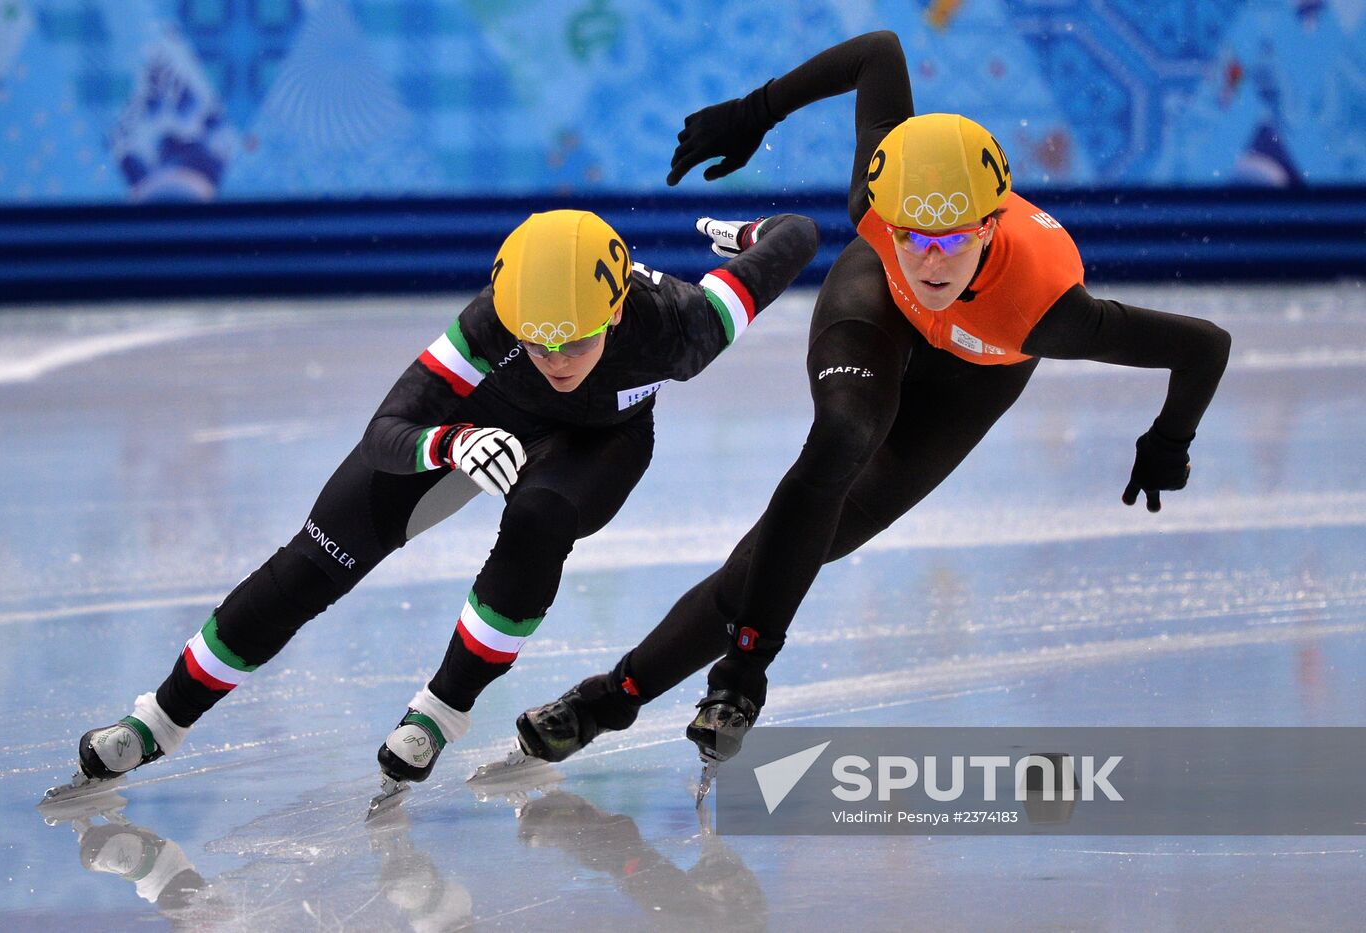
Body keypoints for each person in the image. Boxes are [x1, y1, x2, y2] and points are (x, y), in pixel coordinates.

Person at [513, 31, 1232, 766]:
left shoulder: (1052, 310)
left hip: (978, 370)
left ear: (991, 223)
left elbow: (1205, 345)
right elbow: (879, 54)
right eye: (910, 234)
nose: (928, 259)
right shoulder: (875, 208)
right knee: (842, 438)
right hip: (875, 310)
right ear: (884, 211)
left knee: (770, 559)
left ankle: (610, 698)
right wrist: (754, 111)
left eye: (952, 240)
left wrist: (1170, 441)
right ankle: (742, 677)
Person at [52, 207, 819, 803]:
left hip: (597, 445)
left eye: (574, 343)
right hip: (474, 422)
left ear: (616, 311)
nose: (555, 360)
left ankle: (441, 713)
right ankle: (157, 720)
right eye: (538, 342)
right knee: (311, 563)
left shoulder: (685, 323)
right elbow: (388, 426)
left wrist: (746, 232)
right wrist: (447, 444)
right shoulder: (489, 320)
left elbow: (795, 236)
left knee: (538, 521)